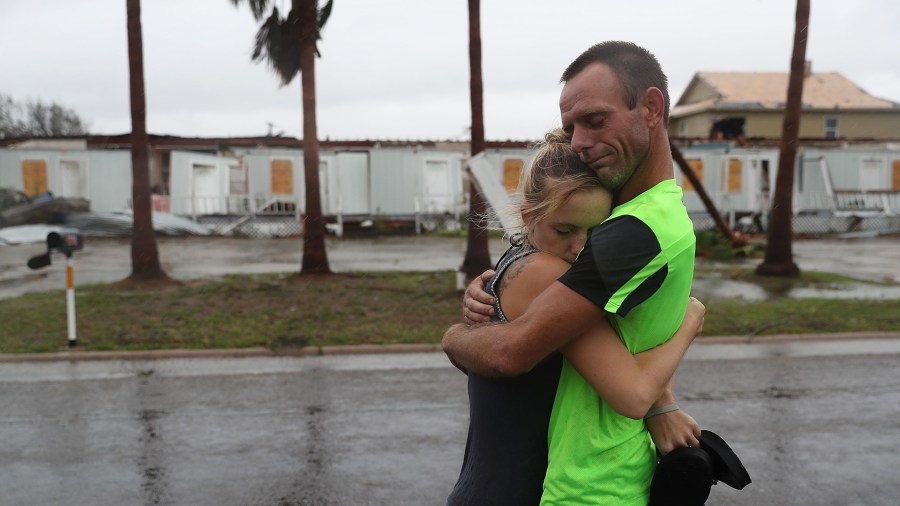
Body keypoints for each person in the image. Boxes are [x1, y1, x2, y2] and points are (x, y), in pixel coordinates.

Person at [443, 41, 700, 505]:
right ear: (529, 215)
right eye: (571, 126)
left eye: (595, 120)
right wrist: (691, 322)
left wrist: (665, 400)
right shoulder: (549, 269)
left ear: (651, 107)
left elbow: (623, 341)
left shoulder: (624, 233)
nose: (581, 247)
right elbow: (627, 379)